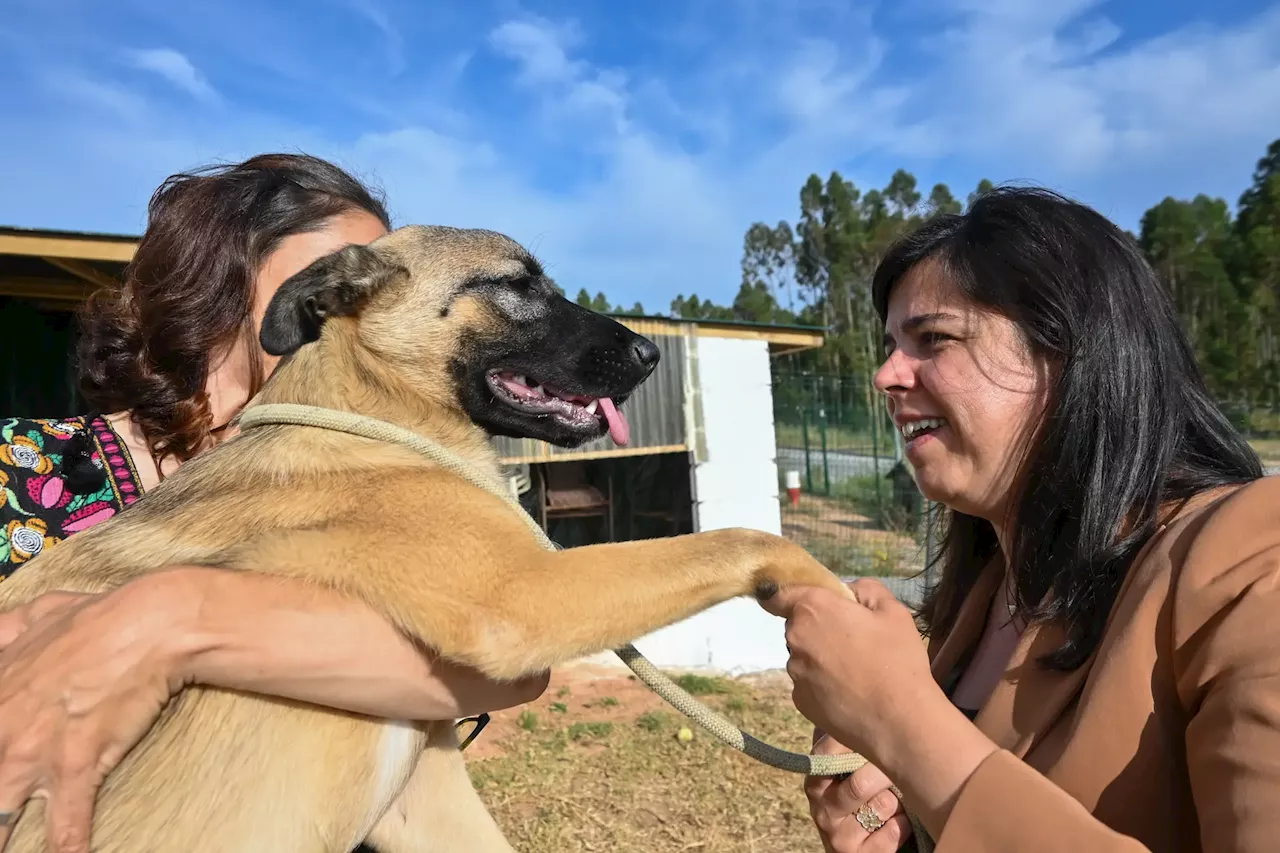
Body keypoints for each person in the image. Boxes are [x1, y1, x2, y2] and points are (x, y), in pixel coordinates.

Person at [0, 153, 549, 853]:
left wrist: (168, 625)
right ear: (218, 275)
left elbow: (508, 657)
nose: (365, 307)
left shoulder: (370, 478)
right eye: (343, 273)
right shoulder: (21, 470)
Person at [761, 186, 1278, 852]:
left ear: (1071, 351)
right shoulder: (977, 602)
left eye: (933, 338)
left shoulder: (1252, 556)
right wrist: (875, 823)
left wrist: (903, 723)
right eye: (891, 344)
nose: (887, 374)